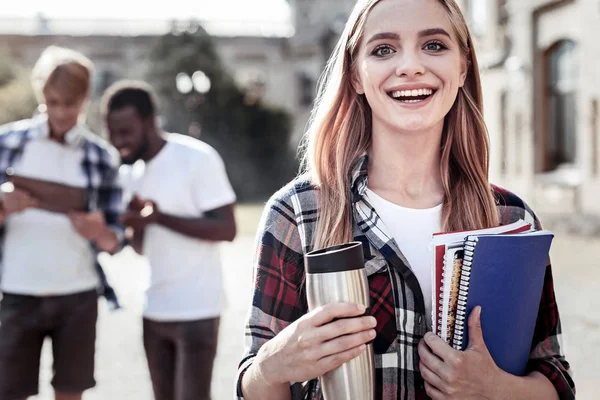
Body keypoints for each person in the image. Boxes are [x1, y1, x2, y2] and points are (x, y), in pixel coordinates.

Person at [236, 0, 575, 399]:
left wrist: (495, 389)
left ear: (463, 67)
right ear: (356, 75)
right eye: (383, 49)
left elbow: (555, 378)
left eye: (433, 45)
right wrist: (273, 365)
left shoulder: (511, 219)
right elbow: (253, 383)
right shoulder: (297, 214)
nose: (410, 66)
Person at [0, 46, 123, 400]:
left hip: (77, 297)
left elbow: (116, 240)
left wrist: (99, 231)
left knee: (70, 394)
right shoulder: (7, 144)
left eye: (70, 104)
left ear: (85, 98)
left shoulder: (101, 158)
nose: (61, 112)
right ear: (41, 95)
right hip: (17, 292)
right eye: (52, 102)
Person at [102, 80, 237, 400]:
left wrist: (160, 217)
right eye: (112, 132)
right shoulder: (130, 173)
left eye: (126, 131)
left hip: (197, 310)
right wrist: (139, 224)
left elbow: (226, 230)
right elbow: (139, 248)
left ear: (150, 122)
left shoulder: (196, 158)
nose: (118, 141)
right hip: (154, 310)